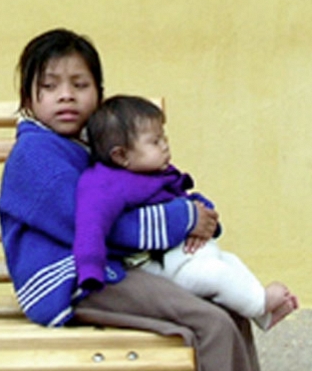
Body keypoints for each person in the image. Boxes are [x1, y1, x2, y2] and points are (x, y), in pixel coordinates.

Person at [0, 28, 308, 371]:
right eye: (50, 86)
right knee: (207, 323)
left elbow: (156, 190)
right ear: (29, 99)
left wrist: (200, 213)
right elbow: (98, 227)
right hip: (73, 281)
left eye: (80, 83)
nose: (67, 95)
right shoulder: (37, 156)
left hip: (116, 269)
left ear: (99, 92)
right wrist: (185, 220)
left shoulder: (93, 148)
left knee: (228, 311)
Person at [74, 95, 299, 331]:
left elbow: (186, 197)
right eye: (155, 141)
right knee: (215, 275)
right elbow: (90, 226)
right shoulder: (102, 183)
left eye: (164, 138)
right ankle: (259, 305)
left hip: (180, 255)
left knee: (229, 261)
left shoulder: (157, 174)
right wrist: (90, 271)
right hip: (155, 268)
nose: (165, 145)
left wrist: (206, 217)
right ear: (121, 155)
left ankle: (262, 316)